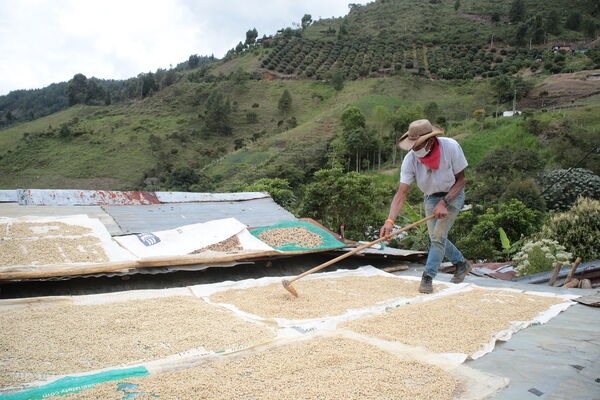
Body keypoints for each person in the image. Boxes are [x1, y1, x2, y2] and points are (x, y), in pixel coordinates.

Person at [379, 119, 471, 293]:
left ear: (430, 140)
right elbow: (401, 193)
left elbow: (461, 180)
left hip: (453, 194)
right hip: (431, 198)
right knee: (436, 237)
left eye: (418, 144)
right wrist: (390, 221)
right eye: (413, 146)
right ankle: (461, 263)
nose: (415, 149)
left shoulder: (450, 147)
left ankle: (427, 277)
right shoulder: (410, 160)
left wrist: (445, 202)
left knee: (437, 237)